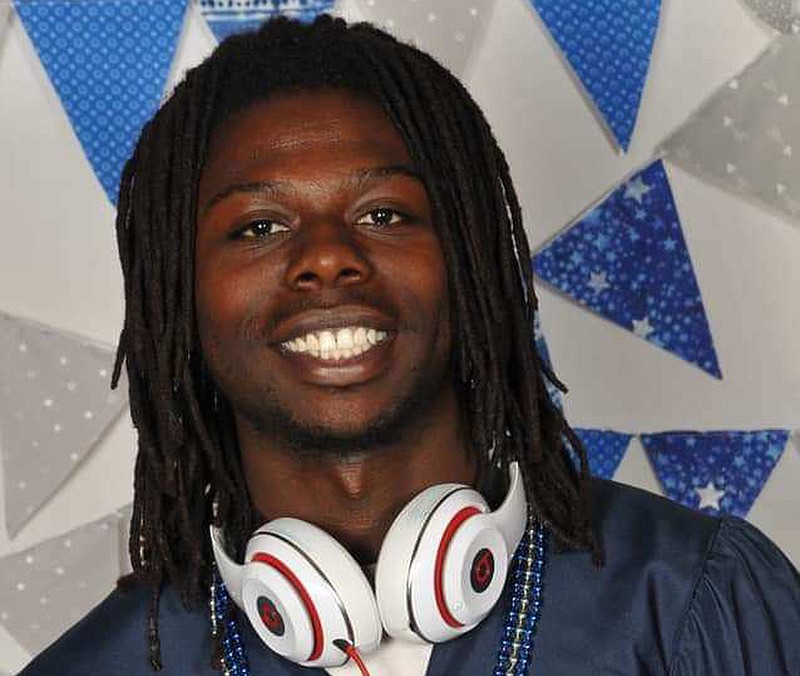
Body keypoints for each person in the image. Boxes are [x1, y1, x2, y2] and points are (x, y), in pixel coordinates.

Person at [20, 15, 799, 676]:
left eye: (385, 214)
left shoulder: (696, 602)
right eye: (258, 227)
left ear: (470, 256)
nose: (327, 257)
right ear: (177, 300)